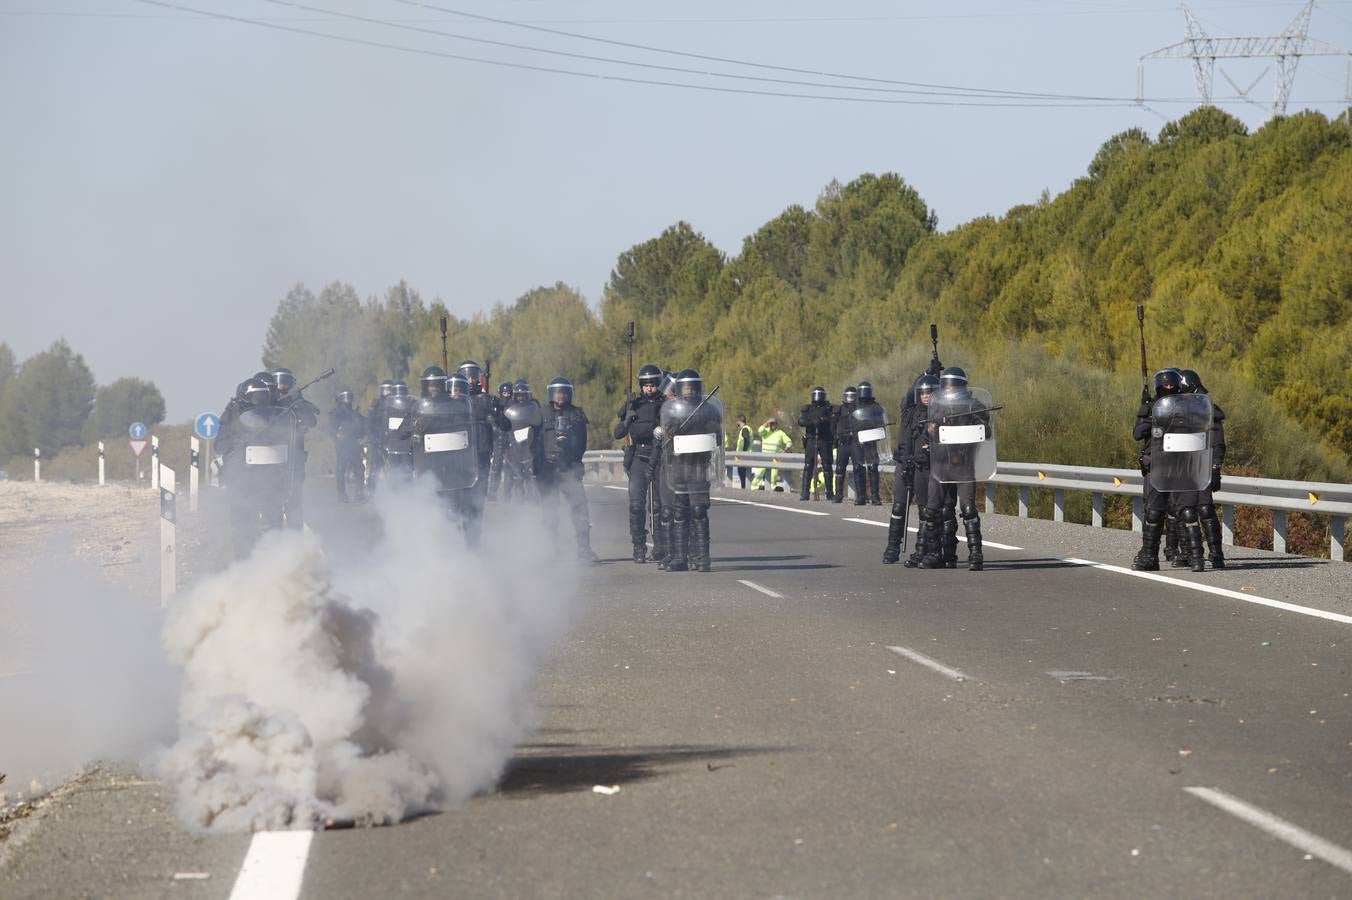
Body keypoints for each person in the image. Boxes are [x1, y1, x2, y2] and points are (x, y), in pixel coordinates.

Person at [1131, 369, 1212, 572]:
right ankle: (1149, 556)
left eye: (1171, 385)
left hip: (1181, 465)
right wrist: (1152, 419)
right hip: (1157, 466)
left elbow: (1203, 426)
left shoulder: (1188, 408)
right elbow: (1137, 433)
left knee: (1187, 510)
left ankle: (1196, 557)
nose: (1168, 388)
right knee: (1154, 512)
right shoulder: (1150, 408)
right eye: (1164, 385)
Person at [919, 367, 992, 571]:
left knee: (968, 510)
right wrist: (933, 429)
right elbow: (929, 435)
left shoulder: (974, 406)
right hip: (940, 463)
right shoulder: (936, 405)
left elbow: (985, 433)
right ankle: (937, 554)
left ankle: (976, 554)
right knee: (933, 510)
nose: (950, 390)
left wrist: (969, 422)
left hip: (964, 464)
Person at [399, 367, 481, 544]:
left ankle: (470, 548)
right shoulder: (418, 408)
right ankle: (438, 549)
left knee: (465, 510)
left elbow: (466, 427)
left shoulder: (457, 405)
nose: (434, 388)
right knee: (436, 510)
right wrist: (416, 425)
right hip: (430, 468)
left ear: (443, 385)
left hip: (456, 466)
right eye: (430, 385)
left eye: (437, 385)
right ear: (424, 386)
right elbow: (401, 433)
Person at [219, 377, 297, 558]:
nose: (259, 400)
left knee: (275, 520)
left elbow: (283, 437)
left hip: (271, 478)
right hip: (242, 478)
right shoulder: (231, 414)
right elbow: (220, 445)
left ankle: (276, 564)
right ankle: (242, 564)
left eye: (262, 396)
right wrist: (236, 444)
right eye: (256, 396)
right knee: (243, 524)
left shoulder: (272, 415)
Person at [654, 368, 721, 572]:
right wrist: (666, 432)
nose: (689, 392)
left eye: (693, 389)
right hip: (677, 467)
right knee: (680, 512)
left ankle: (702, 557)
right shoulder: (672, 410)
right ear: (680, 389)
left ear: (698, 389)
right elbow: (666, 435)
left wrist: (703, 424)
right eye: (685, 389)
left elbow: (716, 435)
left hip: (699, 467)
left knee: (699, 511)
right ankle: (679, 558)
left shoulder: (709, 409)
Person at [538, 375, 597, 562]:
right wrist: (536, 467)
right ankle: (550, 551)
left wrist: (576, 464)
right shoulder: (541, 414)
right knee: (549, 512)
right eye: (557, 392)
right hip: (548, 469)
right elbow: (534, 443)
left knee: (580, 509)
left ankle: (584, 549)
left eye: (564, 392)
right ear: (550, 394)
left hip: (569, 469)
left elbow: (582, 443)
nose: (561, 396)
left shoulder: (577, 414)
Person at [1175, 369, 1227, 569]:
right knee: (1185, 511)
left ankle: (1217, 555)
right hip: (1182, 468)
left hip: (1203, 466)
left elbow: (1218, 443)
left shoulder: (1208, 411)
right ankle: (1192, 555)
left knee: (1205, 509)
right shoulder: (1179, 411)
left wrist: (1215, 468)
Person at [884, 374, 938, 565]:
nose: (925, 395)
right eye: (922, 392)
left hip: (923, 466)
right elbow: (907, 397)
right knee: (899, 506)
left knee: (925, 510)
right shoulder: (908, 412)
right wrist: (923, 374)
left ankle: (921, 551)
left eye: (930, 392)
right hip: (904, 464)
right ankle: (892, 548)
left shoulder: (938, 413)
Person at [615, 363, 666, 563]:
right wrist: (627, 420)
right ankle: (638, 546)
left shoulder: (666, 404)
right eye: (646, 385)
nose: (649, 389)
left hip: (659, 457)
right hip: (638, 458)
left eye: (653, 385)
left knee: (659, 506)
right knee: (636, 505)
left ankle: (661, 546)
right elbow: (618, 433)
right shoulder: (633, 404)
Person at [271, 367, 320, 528]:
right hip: (272, 456)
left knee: (294, 494)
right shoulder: (268, 402)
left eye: (285, 382)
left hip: (294, 455)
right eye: (279, 381)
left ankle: (295, 532)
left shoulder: (296, 400)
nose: (281, 385)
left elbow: (312, 420)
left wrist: (299, 409)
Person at [328, 386, 366, 502]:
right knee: (341, 468)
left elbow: (363, 426)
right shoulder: (336, 412)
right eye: (346, 396)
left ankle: (359, 492)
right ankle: (342, 494)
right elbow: (331, 428)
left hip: (354, 444)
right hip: (342, 445)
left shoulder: (354, 413)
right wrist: (337, 435)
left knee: (359, 468)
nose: (348, 399)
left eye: (349, 396)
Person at [851, 380, 885, 505]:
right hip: (857, 441)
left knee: (872, 467)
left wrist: (876, 430)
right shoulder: (853, 406)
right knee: (858, 467)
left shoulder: (876, 406)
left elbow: (880, 421)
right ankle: (861, 496)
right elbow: (849, 422)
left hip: (871, 440)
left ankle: (875, 496)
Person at [797, 387, 835, 502]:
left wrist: (822, 420)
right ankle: (805, 492)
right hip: (811, 439)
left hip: (824, 439)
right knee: (808, 466)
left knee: (827, 466)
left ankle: (829, 493)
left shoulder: (828, 408)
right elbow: (801, 421)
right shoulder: (807, 408)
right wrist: (812, 422)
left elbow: (832, 419)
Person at [487, 380, 514, 500]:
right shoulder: (495, 406)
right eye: (505, 393)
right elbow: (491, 424)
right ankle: (493, 493)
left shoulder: (514, 406)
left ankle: (507, 494)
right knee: (496, 467)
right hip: (498, 440)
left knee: (509, 467)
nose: (506, 395)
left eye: (509, 393)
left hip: (511, 440)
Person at [831, 386, 859, 503]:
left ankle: (861, 495)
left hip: (855, 443)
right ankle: (838, 494)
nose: (850, 398)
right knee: (839, 469)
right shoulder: (839, 409)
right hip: (843, 443)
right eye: (848, 396)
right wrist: (835, 438)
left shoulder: (859, 409)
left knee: (858, 468)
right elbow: (832, 426)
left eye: (852, 396)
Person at [751, 416, 792, 491]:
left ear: (776, 424)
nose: (772, 425)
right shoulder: (765, 432)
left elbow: (789, 442)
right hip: (765, 456)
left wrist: (785, 450)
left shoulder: (780, 433)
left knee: (774, 473)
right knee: (760, 472)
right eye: (771, 423)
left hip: (775, 458)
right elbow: (759, 430)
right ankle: (755, 486)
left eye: (774, 423)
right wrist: (767, 422)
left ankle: (773, 487)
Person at [729, 415, 753, 490]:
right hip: (745, 455)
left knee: (742, 474)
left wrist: (743, 453)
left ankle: (744, 488)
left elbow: (747, 440)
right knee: (744, 474)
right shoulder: (748, 428)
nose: (737, 423)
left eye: (737, 422)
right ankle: (745, 488)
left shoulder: (745, 429)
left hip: (743, 456)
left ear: (740, 421)